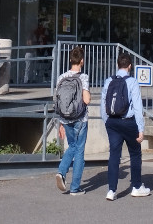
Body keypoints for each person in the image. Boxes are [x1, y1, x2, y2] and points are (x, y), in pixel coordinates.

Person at [100, 52, 150, 200]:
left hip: (112, 122)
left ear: (117, 65)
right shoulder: (132, 81)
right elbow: (138, 107)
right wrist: (141, 129)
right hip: (128, 122)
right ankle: (136, 186)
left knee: (114, 155)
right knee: (135, 153)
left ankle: (111, 190)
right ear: (130, 66)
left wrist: (107, 121)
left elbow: (103, 103)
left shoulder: (109, 80)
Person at [54, 46, 91, 196]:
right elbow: (86, 100)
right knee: (79, 150)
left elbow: (58, 101)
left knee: (72, 146)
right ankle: (74, 187)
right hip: (80, 118)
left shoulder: (61, 77)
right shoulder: (83, 77)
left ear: (70, 59)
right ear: (82, 61)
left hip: (66, 118)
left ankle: (62, 173)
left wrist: (61, 122)